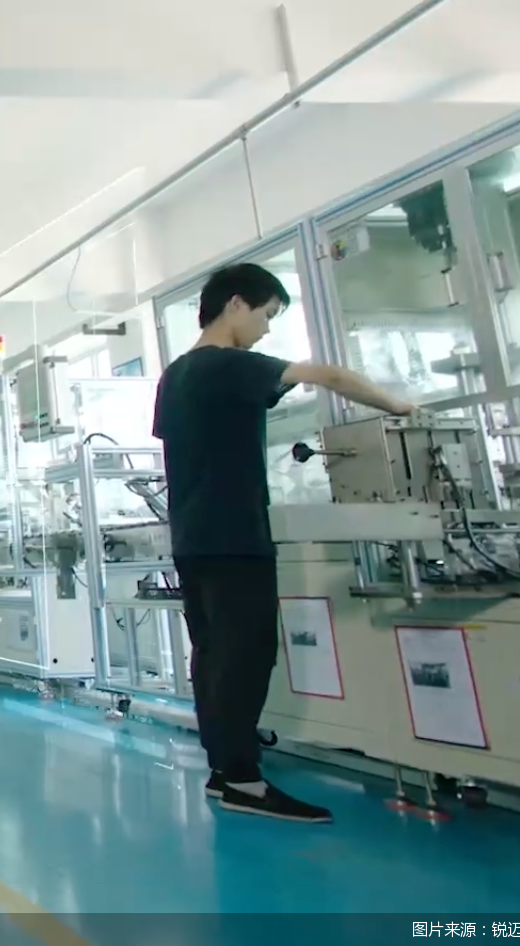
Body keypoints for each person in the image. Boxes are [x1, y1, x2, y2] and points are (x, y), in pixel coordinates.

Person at [153, 262, 414, 824]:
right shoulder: (228, 364)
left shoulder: (175, 375)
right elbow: (328, 375)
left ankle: (226, 771)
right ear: (236, 305)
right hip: (235, 535)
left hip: (194, 538)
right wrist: (399, 408)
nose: (267, 329)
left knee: (213, 655)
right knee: (246, 655)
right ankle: (243, 781)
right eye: (267, 314)